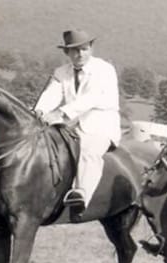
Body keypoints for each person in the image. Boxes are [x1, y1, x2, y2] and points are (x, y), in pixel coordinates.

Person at [34, 29, 121, 218]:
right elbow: (51, 94)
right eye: (74, 50)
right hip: (71, 124)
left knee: (88, 151)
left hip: (100, 125)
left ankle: (81, 194)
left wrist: (60, 112)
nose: (80, 54)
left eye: (84, 49)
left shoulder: (104, 69)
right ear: (67, 53)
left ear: (91, 48)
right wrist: (40, 111)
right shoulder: (61, 72)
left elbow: (92, 98)